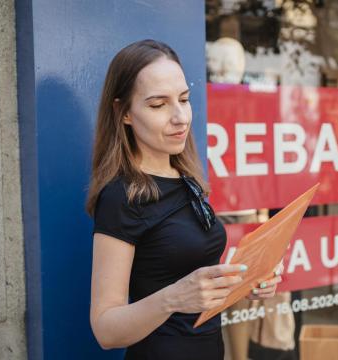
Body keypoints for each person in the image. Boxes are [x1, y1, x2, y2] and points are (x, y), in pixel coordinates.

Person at [86, 39, 283, 359]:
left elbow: (196, 291)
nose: (180, 117)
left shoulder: (186, 178)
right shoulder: (121, 196)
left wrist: (246, 281)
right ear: (123, 113)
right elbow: (106, 330)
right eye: (158, 104)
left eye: (184, 99)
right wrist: (173, 297)